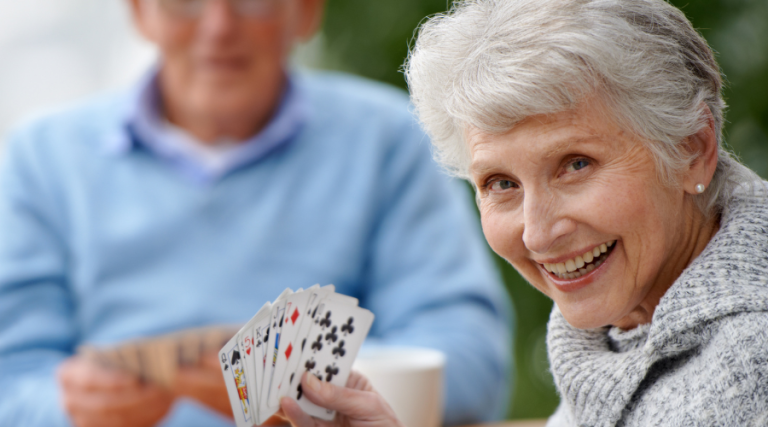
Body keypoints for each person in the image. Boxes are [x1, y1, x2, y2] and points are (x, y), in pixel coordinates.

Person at [0, 0, 514, 426]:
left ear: (306, 11)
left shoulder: (389, 141)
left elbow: (470, 362)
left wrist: (313, 389)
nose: (219, 28)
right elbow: (11, 376)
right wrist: (67, 410)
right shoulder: (42, 158)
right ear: (141, 12)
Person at [290, 0, 768, 425]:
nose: (538, 235)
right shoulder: (623, 331)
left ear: (692, 150)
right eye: (501, 184)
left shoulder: (749, 359)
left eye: (575, 165)